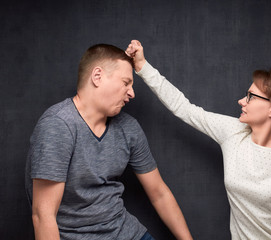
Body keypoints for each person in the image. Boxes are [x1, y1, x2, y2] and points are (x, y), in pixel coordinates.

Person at [126, 40, 271, 240]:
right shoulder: (233, 133)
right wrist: (142, 66)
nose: (241, 101)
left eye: (250, 97)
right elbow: (184, 108)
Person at [25, 43, 193, 240]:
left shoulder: (128, 128)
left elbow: (159, 193)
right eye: (126, 82)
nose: (132, 93)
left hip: (126, 233)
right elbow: (43, 216)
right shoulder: (58, 125)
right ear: (97, 76)